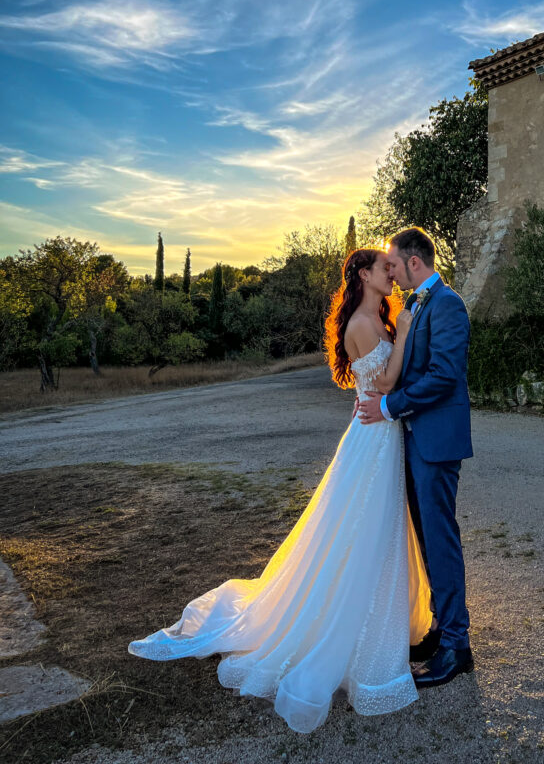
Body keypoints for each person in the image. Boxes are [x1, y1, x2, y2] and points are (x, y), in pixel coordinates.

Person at [127, 247, 433, 734]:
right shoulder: (360, 322)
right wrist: (411, 326)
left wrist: (403, 321)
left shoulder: (379, 313)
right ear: (363, 274)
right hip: (372, 438)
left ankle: (385, 622)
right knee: (363, 530)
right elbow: (389, 379)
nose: (391, 275)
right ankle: (348, 634)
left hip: (381, 433)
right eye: (384, 269)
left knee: (381, 531)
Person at [357, 227, 474, 689]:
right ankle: (443, 632)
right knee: (426, 539)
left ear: (414, 262)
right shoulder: (415, 305)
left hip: (438, 442)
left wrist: (387, 406)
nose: (391, 271)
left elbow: (444, 376)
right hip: (415, 439)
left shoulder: (448, 305)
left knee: (440, 540)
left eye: (394, 263)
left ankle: (457, 649)